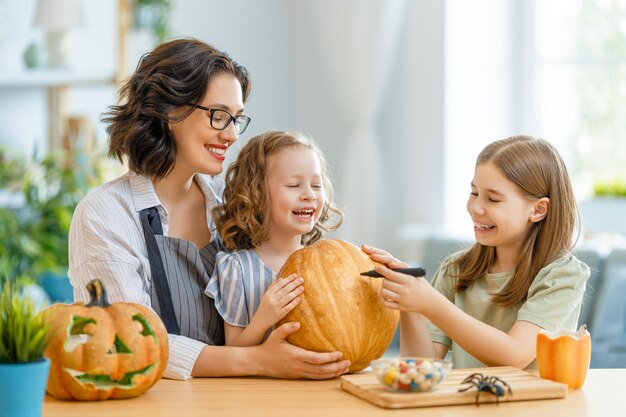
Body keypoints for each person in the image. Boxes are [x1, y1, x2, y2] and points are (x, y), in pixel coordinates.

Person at [68, 39, 351, 380]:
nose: (232, 135)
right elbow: (128, 340)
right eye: (219, 116)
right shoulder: (105, 215)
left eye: (236, 119)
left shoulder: (233, 203)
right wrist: (258, 361)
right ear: (168, 110)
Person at [363, 135, 590, 369]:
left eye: (493, 199)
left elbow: (514, 355)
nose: (474, 207)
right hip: (468, 404)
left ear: (538, 209)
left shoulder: (563, 276)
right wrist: (409, 304)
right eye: (474, 193)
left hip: (534, 406)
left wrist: (431, 303)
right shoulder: (456, 270)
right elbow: (421, 367)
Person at [205, 131, 343, 347]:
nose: (310, 195)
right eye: (293, 185)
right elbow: (235, 349)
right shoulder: (237, 270)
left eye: (317, 185)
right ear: (256, 194)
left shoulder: (329, 265)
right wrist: (264, 318)